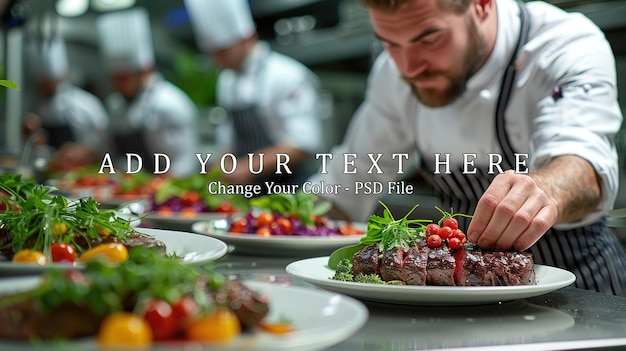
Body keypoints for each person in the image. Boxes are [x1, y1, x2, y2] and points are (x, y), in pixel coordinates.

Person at [307, 0, 626, 296]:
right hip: (459, 301)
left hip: (580, 291)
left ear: (482, 4)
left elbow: (584, 168)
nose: (409, 67)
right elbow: (344, 187)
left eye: (429, 39)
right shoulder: (394, 75)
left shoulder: (563, 42)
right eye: (390, 44)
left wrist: (545, 190)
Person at [184, 0, 323, 188]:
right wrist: (220, 169)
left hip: (292, 188)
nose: (219, 60)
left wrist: (248, 168)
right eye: (213, 53)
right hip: (251, 193)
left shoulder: (287, 75)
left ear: (248, 37)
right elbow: (229, 139)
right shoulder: (227, 80)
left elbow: (302, 144)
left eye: (224, 51)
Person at [97, 7, 199, 177]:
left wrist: (157, 185)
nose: (118, 85)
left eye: (124, 78)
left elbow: (186, 161)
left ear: (145, 71)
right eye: (114, 78)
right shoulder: (115, 104)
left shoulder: (170, 104)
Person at [23, 36, 109, 171]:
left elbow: (104, 142)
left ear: (62, 75)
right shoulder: (30, 105)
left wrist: (84, 150)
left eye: (49, 81)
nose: (45, 86)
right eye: (42, 82)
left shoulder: (86, 104)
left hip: (82, 174)